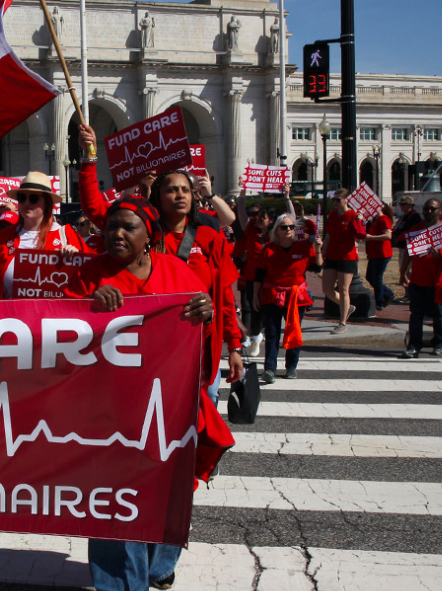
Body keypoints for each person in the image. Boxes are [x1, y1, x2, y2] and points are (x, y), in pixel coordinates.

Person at [74, 196, 215, 591]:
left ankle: (158, 565)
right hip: (108, 412)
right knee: (113, 499)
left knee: (166, 490)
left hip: (166, 408)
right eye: (111, 226)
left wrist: (204, 312)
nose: (116, 233)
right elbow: (60, 333)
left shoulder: (178, 272)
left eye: (128, 227)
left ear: (149, 236)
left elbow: (200, 330)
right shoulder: (89, 274)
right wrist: (88, 307)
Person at [78, 126, 245, 398]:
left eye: (185, 190)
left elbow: (224, 297)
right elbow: (94, 207)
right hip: (143, 345)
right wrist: (90, 156)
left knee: (200, 412)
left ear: (194, 197)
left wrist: (234, 348)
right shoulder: (136, 230)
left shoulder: (210, 238)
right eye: (171, 190)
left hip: (199, 343)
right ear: (158, 195)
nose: (179, 195)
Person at [0, 171, 91, 299]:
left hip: (51, 317)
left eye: (33, 198)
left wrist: (77, 260)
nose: (26, 203)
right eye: (22, 198)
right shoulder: (2, 238)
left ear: (47, 203)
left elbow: (92, 278)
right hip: (11, 317)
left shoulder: (67, 236)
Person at [252, 213, 323, 383]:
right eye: (284, 227)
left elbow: (317, 267)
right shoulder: (269, 249)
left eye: (291, 227)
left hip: (295, 297)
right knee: (272, 333)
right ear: (277, 230)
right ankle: (269, 368)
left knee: (294, 330)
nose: (289, 230)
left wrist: (318, 249)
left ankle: (291, 366)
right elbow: (259, 275)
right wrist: (255, 296)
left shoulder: (304, 247)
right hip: (272, 295)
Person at [398, 199, 442, 358]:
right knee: (416, 315)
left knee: (439, 315)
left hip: (438, 281)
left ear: (440, 211)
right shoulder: (416, 229)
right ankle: (414, 346)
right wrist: (402, 272)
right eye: (426, 209)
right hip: (418, 280)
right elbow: (408, 253)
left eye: (432, 209)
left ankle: (439, 343)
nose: (429, 212)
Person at [321, 188, 365, 334]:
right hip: (332, 255)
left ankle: (342, 322)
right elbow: (328, 236)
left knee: (344, 288)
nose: (335, 202)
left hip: (347, 256)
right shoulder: (332, 215)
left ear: (346, 200)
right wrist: (323, 253)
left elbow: (359, 238)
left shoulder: (353, 215)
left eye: (338, 200)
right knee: (327, 289)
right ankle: (347, 307)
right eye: (333, 199)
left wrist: (359, 221)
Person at [234, 203, 274, 355]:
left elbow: (290, 218)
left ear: (270, 220)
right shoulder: (250, 230)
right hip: (251, 277)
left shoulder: (276, 234)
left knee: (267, 311)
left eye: (262, 218)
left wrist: (287, 197)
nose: (257, 220)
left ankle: (261, 336)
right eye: (257, 217)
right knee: (252, 308)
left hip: (270, 279)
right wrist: (242, 193)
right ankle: (255, 335)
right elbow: (241, 214)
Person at [364, 202, 396, 310]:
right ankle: (387, 293)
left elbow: (388, 235)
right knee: (370, 277)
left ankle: (380, 301)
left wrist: (371, 237)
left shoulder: (384, 219)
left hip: (382, 253)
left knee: (377, 278)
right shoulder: (375, 220)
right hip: (374, 253)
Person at [392, 195, 421, 301]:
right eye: (400, 204)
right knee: (403, 270)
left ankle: (411, 293)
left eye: (403, 204)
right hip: (403, 247)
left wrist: (400, 237)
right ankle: (407, 293)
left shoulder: (415, 217)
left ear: (410, 205)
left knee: (407, 270)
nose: (401, 206)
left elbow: (413, 232)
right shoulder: (403, 216)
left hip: (410, 248)